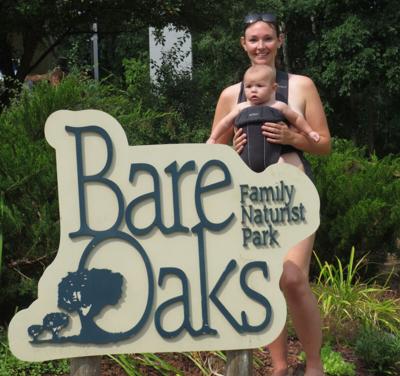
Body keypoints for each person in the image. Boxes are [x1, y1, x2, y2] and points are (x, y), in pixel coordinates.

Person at [211, 12, 331, 376]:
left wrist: (292, 138)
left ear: (279, 41)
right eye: (253, 39)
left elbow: (323, 145)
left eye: (267, 38)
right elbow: (212, 150)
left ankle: (314, 365)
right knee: (264, 279)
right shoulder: (232, 95)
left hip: (293, 193)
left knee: (292, 278)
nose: (260, 46)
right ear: (243, 45)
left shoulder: (301, 86)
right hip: (249, 197)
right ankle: (279, 367)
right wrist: (231, 151)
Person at [207, 64, 320, 172]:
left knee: (288, 164)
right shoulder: (241, 107)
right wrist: (213, 137)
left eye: (259, 86)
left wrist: (309, 132)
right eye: (249, 86)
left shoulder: (278, 105)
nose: (253, 90)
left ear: (273, 88)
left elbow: (296, 119)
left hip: (277, 158)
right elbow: (225, 123)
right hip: (246, 160)